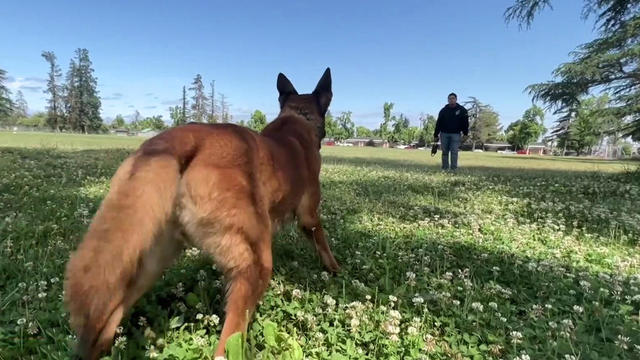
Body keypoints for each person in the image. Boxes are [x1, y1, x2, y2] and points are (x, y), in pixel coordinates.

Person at [433, 93, 469, 171]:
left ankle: (453, 169)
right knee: (445, 152)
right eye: (450, 98)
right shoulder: (443, 110)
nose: (451, 100)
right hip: (444, 134)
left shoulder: (462, 110)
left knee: (454, 152)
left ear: (456, 99)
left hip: (456, 134)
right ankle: (445, 168)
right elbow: (438, 123)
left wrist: (465, 134)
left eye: (453, 98)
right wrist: (436, 135)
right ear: (448, 100)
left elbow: (465, 123)